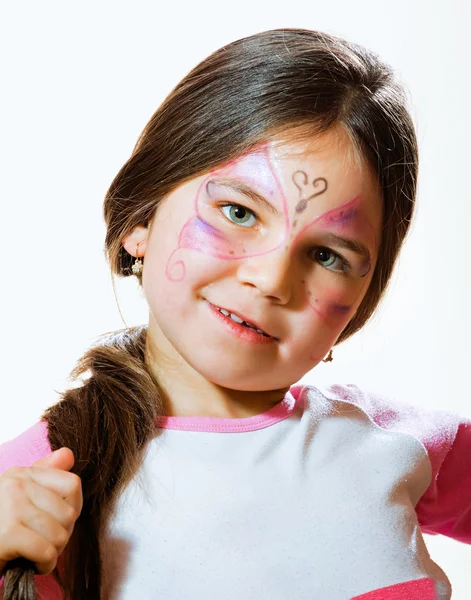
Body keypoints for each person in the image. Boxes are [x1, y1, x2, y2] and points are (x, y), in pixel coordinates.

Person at [0, 27, 469, 600]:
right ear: (139, 221)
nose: (272, 280)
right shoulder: (32, 487)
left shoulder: (400, 444)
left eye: (326, 255)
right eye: (239, 213)